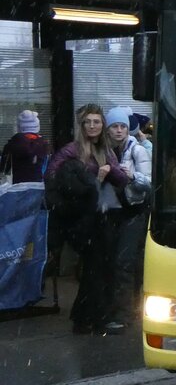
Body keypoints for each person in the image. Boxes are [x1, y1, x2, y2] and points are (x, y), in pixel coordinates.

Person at [45, 103, 129, 335]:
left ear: (102, 125)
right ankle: (95, 319)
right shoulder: (72, 151)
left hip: (102, 217)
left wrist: (122, 174)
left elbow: (120, 178)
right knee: (96, 268)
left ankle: (85, 319)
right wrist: (93, 181)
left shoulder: (106, 150)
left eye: (97, 122)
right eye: (88, 122)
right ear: (81, 126)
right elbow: (52, 178)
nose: (93, 126)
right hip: (82, 220)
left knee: (97, 269)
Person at [97, 106, 151, 332]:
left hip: (133, 211)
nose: (119, 131)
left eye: (122, 126)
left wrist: (132, 176)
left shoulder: (137, 150)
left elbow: (148, 182)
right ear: (107, 130)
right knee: (111, 263)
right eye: (114, 126)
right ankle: (115, 310)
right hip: (111, 212)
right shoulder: (101, 152)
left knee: (124, 263)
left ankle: (124, 314)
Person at [2, 109, 49, 184]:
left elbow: (4, 170)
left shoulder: (12, 144)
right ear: (37, 126)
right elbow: (46, 168)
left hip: (18, 187)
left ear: (19, 127)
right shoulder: (43, 144)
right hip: (38, 186)